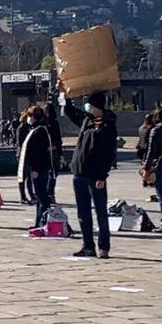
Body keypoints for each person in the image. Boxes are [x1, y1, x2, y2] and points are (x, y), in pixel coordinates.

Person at [64, 89, 118, 258]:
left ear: (96, 106)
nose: (87, 107)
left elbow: (109, 153)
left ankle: (103, 246)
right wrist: (64, 96)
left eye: (89, 104)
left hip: (96, 176)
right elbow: (70, 112)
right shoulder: (86, 120)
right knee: (83, 213)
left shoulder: (107, 125)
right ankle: (88, 246)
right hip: (79, 173)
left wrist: (102, 176)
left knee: (101, 213)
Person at [20, 105, 54, 229]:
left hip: (39, 169)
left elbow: (38, 152)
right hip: (39, 168)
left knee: (41, 196)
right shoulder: (37, 129)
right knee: (40, 197)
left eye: (29, 116)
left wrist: (35, 169)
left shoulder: (39, 131)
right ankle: (39, 222)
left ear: (34, 117)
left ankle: (46, 220)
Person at [16, 110, 34, 205]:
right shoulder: (21, 128)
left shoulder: (30, 128)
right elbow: (20, 142)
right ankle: (22, 196)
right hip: (23, 155)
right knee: (22, 176)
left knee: (29, 177)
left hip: (29, 154)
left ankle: (31, 194)